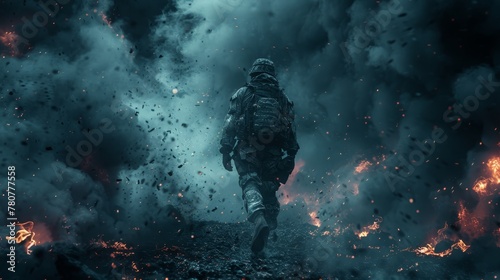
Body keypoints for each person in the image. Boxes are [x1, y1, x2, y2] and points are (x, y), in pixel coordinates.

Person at [219, 58, 300, 254]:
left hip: (249, 148)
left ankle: (259, 218)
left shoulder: (244, 93)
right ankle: (269, 233)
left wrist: (226, 149)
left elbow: (230, 122)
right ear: (272, 75)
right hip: (273, 152)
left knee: (250, 182)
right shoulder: (282, 98)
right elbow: (290, 130)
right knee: (269, 188)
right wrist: (290, 154)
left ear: (254, 74)